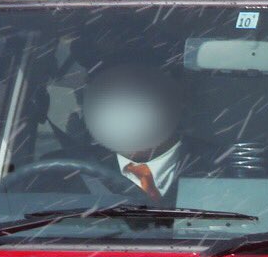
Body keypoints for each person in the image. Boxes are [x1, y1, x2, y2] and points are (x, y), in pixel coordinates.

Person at [78, 59, 198, 202]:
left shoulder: (218, 167)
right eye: (110, 96)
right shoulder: (69, 172)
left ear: (177, 97)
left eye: (138, 94)